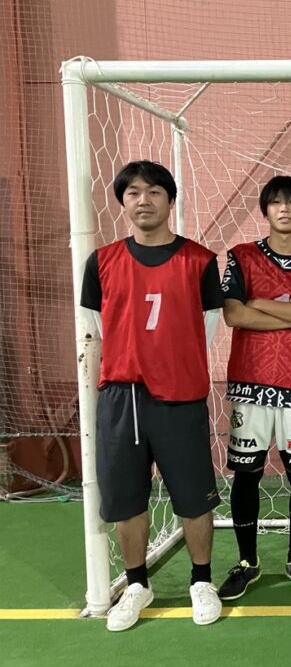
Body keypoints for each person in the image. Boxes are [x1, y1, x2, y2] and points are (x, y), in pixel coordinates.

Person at [79, 160, 223, 631]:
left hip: (179, 397)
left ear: (170, 200)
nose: (144, 200)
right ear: (123, 202)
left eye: (154, 191)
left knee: (194, 497)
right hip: (122, 399)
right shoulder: (100, 262)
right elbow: (98, 331)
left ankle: (202, 581)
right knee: (127, 499)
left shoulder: (200, 261)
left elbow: (206, 330)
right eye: (134, 193)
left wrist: (168, 363)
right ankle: (137, 584)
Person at [217, 176, 291, 601]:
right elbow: (234, 315)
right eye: (276, 203)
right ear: (265, 210)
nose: (284, 209)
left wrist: (261, 303)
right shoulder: (241, 256)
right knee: (247, 474)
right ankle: (247, 562)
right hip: (251, 381)